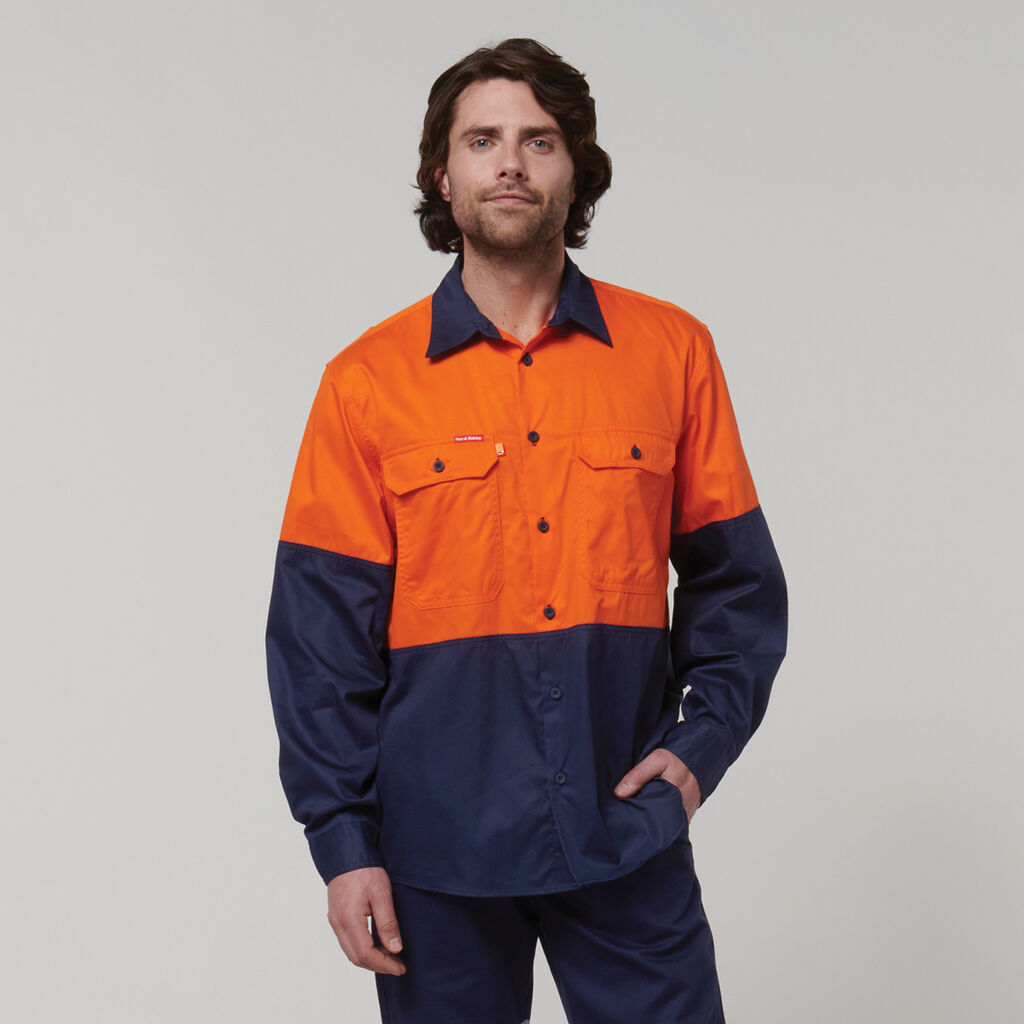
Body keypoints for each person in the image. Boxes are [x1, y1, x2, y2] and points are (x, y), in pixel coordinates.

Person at [266, 37, 787, 1024]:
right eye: (482, 140)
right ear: (443, 173)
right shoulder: (365, 383)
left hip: (623, 831)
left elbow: (739, 583)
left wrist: (699, 749)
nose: (509, 163)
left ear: (576, 168)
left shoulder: (672, 354)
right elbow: (318, 635)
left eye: (538, 140)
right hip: (432, 856)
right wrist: (341, 842)